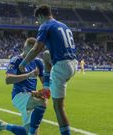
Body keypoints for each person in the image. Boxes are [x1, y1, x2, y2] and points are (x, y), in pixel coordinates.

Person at [18, 5, 77, 135]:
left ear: (40, 16)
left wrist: (23, 63)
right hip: (73, 63)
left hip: (62, 66)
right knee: (46, 55)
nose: (38, 22)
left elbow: (36, 48)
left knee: (58, 107)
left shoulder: (45, 25)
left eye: (38, 20)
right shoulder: (63, 25)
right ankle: (46, 89)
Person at [0, 37, 50, 135]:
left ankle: (3, 125)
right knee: (42, 102)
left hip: (31, 96)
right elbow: (8, 80)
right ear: (25, 49)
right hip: (19, 95)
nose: (34, 55)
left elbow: (45, 82)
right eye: (32, 52)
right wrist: (29, 75)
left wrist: (53, 73)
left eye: (35, 52)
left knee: (29, 132)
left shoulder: (38, 62)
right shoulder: (16, 60)